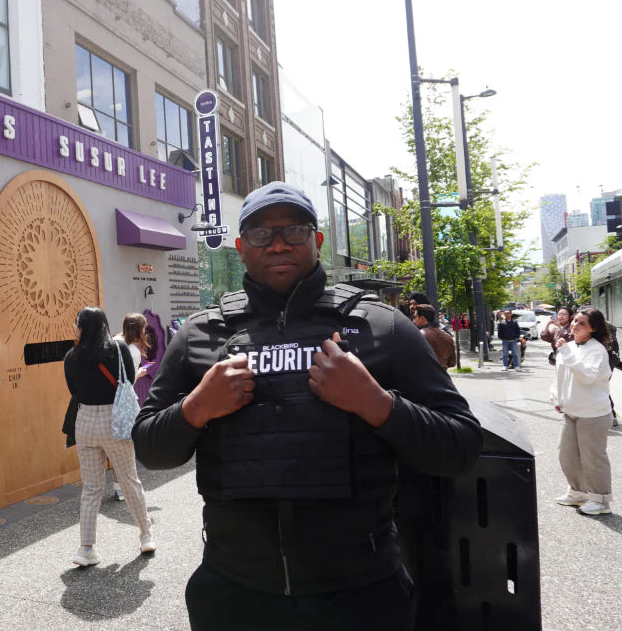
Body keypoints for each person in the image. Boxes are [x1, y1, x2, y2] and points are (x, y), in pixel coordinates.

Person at [132, 182, 482, 630]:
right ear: (241, 248)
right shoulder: (201, 334)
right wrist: (196, 408)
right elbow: (150, 450)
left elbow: (461, 445)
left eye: (294, 231)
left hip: (361, 594)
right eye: (260, 233)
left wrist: (376, 403)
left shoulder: (382, 327)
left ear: (316, 241)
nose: (278, 243)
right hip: (234, 595)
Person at [64, 307, 155, 566]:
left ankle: (86, 549)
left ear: (82, 327)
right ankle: (145, 534)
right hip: (116, 420)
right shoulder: (119, 350)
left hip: (85, 422)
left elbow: (73, 390)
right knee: (129, 480)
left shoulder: (71, 356)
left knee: (91, 488)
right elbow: (126, 381)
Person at [551, 307, 614, 515]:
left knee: (593, 458)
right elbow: (560, 376)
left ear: (593, 328)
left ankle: (601, 500)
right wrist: (557, 397)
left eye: (582, 323)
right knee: (567, 455)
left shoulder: (597, 350)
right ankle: (578, 492)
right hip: (571, 411)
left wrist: (566, 353)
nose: (575, 325)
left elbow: (587, 376)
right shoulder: (568, 346)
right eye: (575, 321)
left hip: (594, 414)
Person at [108, 312, 152, 502]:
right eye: (144, 328)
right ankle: (122, 488)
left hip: (108, 400)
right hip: (124, 403)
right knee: (126, 445)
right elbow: (128, 381)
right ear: (139, 330)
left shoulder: (113, 341)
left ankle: (118, 487)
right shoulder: (133, 352)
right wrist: (140, 373)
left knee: (113, 445)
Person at [413, 304, 456, 369]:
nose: (414, 320)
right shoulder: (448, 336)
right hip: (443, 376)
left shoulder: (420, 335)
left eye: (415, 317)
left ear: (422, 318)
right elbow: (452, 363)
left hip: (424, 376)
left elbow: (414, 360)